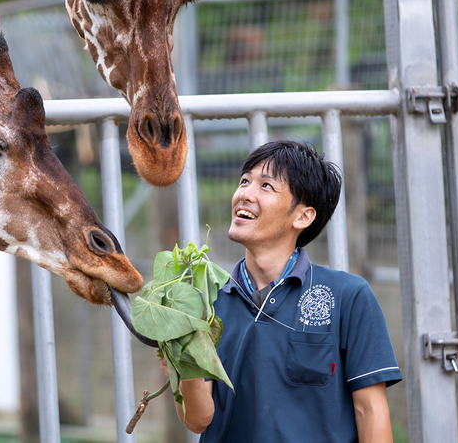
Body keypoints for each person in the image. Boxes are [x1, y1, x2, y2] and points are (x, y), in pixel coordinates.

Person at [162, 140, 401, 442]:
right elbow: (197, 420)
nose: (245, 194)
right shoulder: (204, 303)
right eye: (245, 181)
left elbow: (369, 409)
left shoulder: (348, 296)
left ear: (302, 216)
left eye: (266, 186)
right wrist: (182, 362)